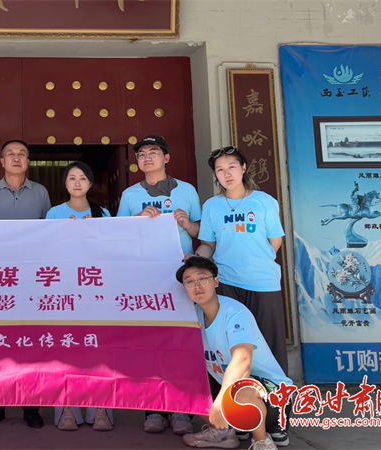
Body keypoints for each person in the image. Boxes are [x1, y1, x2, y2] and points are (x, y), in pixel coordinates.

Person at [116, 135, 201, 435]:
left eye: (153, 152)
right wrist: (137, 220)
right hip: (147, 277)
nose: (147, 157)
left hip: (181, 276)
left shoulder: (187, 191)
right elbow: (119, 236)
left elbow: (202, 231)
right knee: (151, 341)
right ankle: (153, 408)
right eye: (141, 154)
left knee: (181, 340)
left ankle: (182, 410)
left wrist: (187, 224)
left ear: (166, 158)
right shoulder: (130, 195)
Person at [176, 256, 293, 450]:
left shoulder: (235, 312)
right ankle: (224, 433)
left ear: (216, 281)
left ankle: (262, 441)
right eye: (189, 282)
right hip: (233, 394)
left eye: (203, 278)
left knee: (239, 390)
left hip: (275, 396)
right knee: (183, 385)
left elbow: (243, 360)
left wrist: (221, 402)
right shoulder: (192, 317)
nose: (197, 285)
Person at [192, 146, 289, 378]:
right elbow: (208, 245)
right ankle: (238, 394)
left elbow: (275, 241)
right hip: (227, 283)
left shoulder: (264, 201)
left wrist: (255, 261)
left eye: (232, 167)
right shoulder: (211, 206)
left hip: (263, 283)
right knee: (230, 344)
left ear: (243, 168)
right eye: (220, 170)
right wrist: (196, 260)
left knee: (268, 344)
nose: (227, 174)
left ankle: (277, 396)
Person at [0, 139, 50, 429]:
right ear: (2, 161)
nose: (16, 158)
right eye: (11, 154)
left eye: (22, 154)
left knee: (29, 341)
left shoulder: (41, 192)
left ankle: (30, 407)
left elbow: (49, 232)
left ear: (28, 161)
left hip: (31, 278)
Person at [45, 161, 113, 431]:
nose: (76, 183)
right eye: (71, 178)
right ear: (65, 183)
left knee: (99, 348)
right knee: (66, 347)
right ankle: (66, 408)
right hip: (63, 288)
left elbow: (110, 250)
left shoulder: (102, 213)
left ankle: (101, 408)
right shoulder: (54, 213)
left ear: (90, 183)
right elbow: (46, 250)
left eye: (82, 178)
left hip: (94, 288)